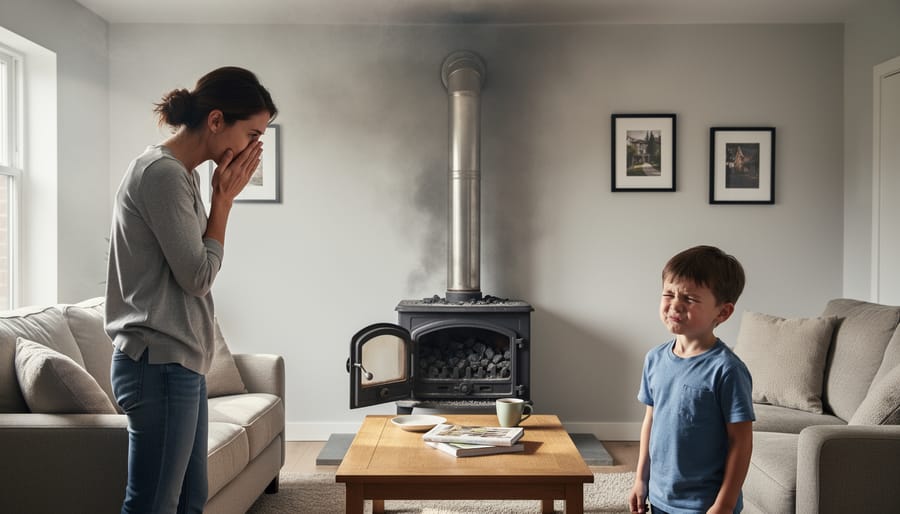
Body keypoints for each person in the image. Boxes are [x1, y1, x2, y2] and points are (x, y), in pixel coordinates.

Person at [105, 66, 277, 514]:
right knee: (153, 504)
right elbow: (198, 276)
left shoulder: (182, 173)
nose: (254, 148)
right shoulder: (161, 173)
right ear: (217, 121)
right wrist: (223, 203)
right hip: (158, 363)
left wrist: (218, 198)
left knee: (189, 502)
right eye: (252, 133)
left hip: (179, 364)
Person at [629, 245, 755, 514]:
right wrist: (641, 479)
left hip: (705, 504)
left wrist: (725, 503)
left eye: (690, 299)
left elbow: (741, 442)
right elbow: (650, 421)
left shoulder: (727, 370)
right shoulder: (654, 359)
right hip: (661, 498)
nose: (675, 304)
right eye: (669, 293)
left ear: (722, 313)